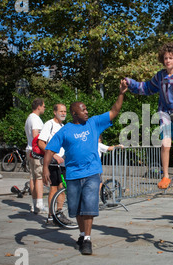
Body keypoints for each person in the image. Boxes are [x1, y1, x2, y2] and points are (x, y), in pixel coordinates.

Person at [42, 80, 127, 255]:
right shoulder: (65, 131)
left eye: (87, 108)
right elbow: (50, 149)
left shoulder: (94, 123)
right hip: (73, 174)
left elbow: (114, 111)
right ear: (74, 113)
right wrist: (44, 169)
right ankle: (82, 234)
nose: (86, 111)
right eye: (83, 109)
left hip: (92, 173)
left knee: (88, 205)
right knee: (77, 208)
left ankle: (87, 239)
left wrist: (121, 93)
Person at [123, 42, 173, 189]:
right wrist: (131, 83)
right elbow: (146, 88)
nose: (168, 61)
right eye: (165, 58)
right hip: (166, 112)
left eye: (171, 58)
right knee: (165, 144)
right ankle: (165, 176)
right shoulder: (160, 76)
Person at [37, 103, 72, 226]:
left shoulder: (63, 126)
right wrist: (53, 155)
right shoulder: (49, 124)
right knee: (54, 188)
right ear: (54, 112)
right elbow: (41, 142)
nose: (63, 113)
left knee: (62, 188)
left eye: (65, 111)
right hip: (52, 162)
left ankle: (59, 213)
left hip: (63, 162)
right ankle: (51, 216)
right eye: (61, 111)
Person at [24, 98, 46, 214]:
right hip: (36, 151)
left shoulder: (29, 118)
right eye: (43, 106)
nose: (44, 108)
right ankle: (39, 203)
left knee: (33, 177)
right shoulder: (35, 119)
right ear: (39, 106)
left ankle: (34, 204)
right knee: (39, 177)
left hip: (30, 150)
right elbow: (35, 135)